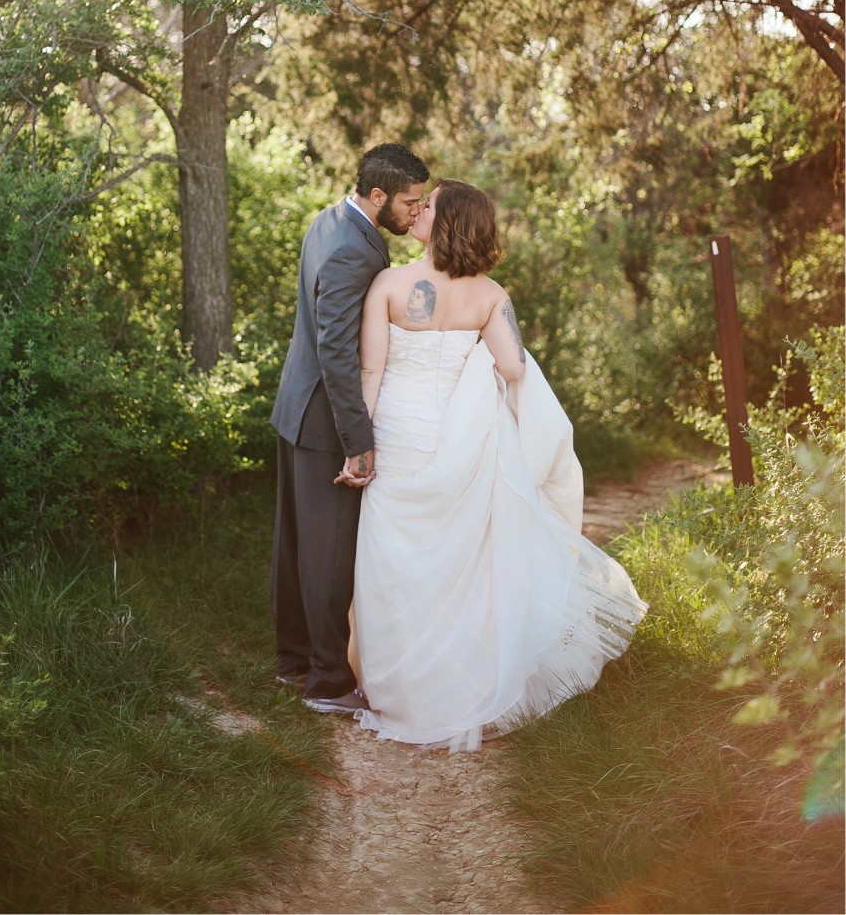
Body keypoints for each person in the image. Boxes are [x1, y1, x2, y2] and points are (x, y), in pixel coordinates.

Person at [346, 179, 648, 751]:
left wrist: (359, 447)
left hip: (398, 436)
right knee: (458, 558)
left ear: (448, 219)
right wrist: (470, 372)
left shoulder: (388, 284)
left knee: (396, 561)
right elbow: (511, 368)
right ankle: (460, 684)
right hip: (459, 442)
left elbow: (370, 375)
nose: (418, 210)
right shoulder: (490, 296)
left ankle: (400, 689)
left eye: (428, 205)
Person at [270, 142, 430, 714]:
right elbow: (337, 350)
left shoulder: (329, 221)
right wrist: (358, 441)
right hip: (323, 418)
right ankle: (329, 683)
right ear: (379, 195)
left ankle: (294, 660)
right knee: (328, 553)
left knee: (297, 546)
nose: (416, 211)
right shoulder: (351, 250)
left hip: (297, 405)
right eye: (410, 202)